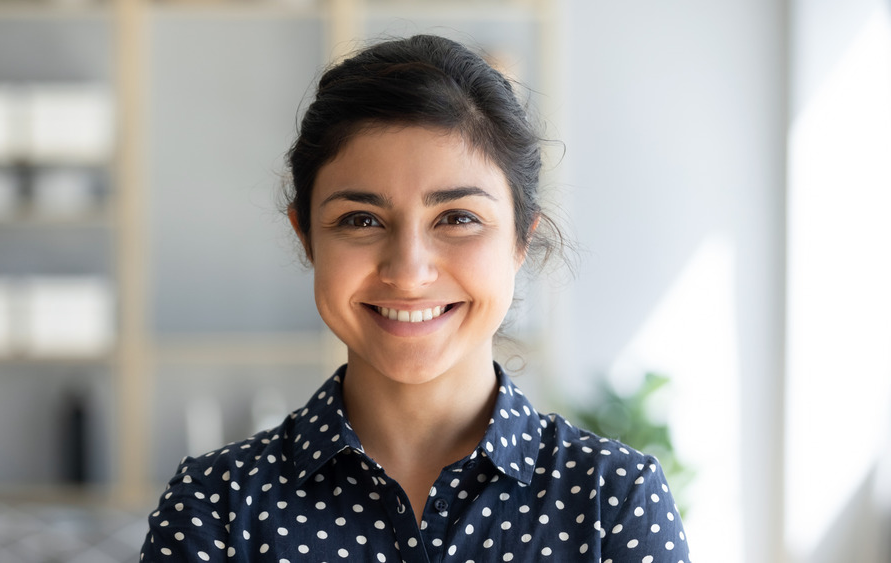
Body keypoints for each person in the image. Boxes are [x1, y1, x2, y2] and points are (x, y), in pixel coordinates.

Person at [140, 34, 691, 562]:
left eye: (457, 218)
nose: (407, 272)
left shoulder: (615, 502)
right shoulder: (214, 508)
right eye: (361, 220)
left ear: (521, 239)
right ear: (306, 236)